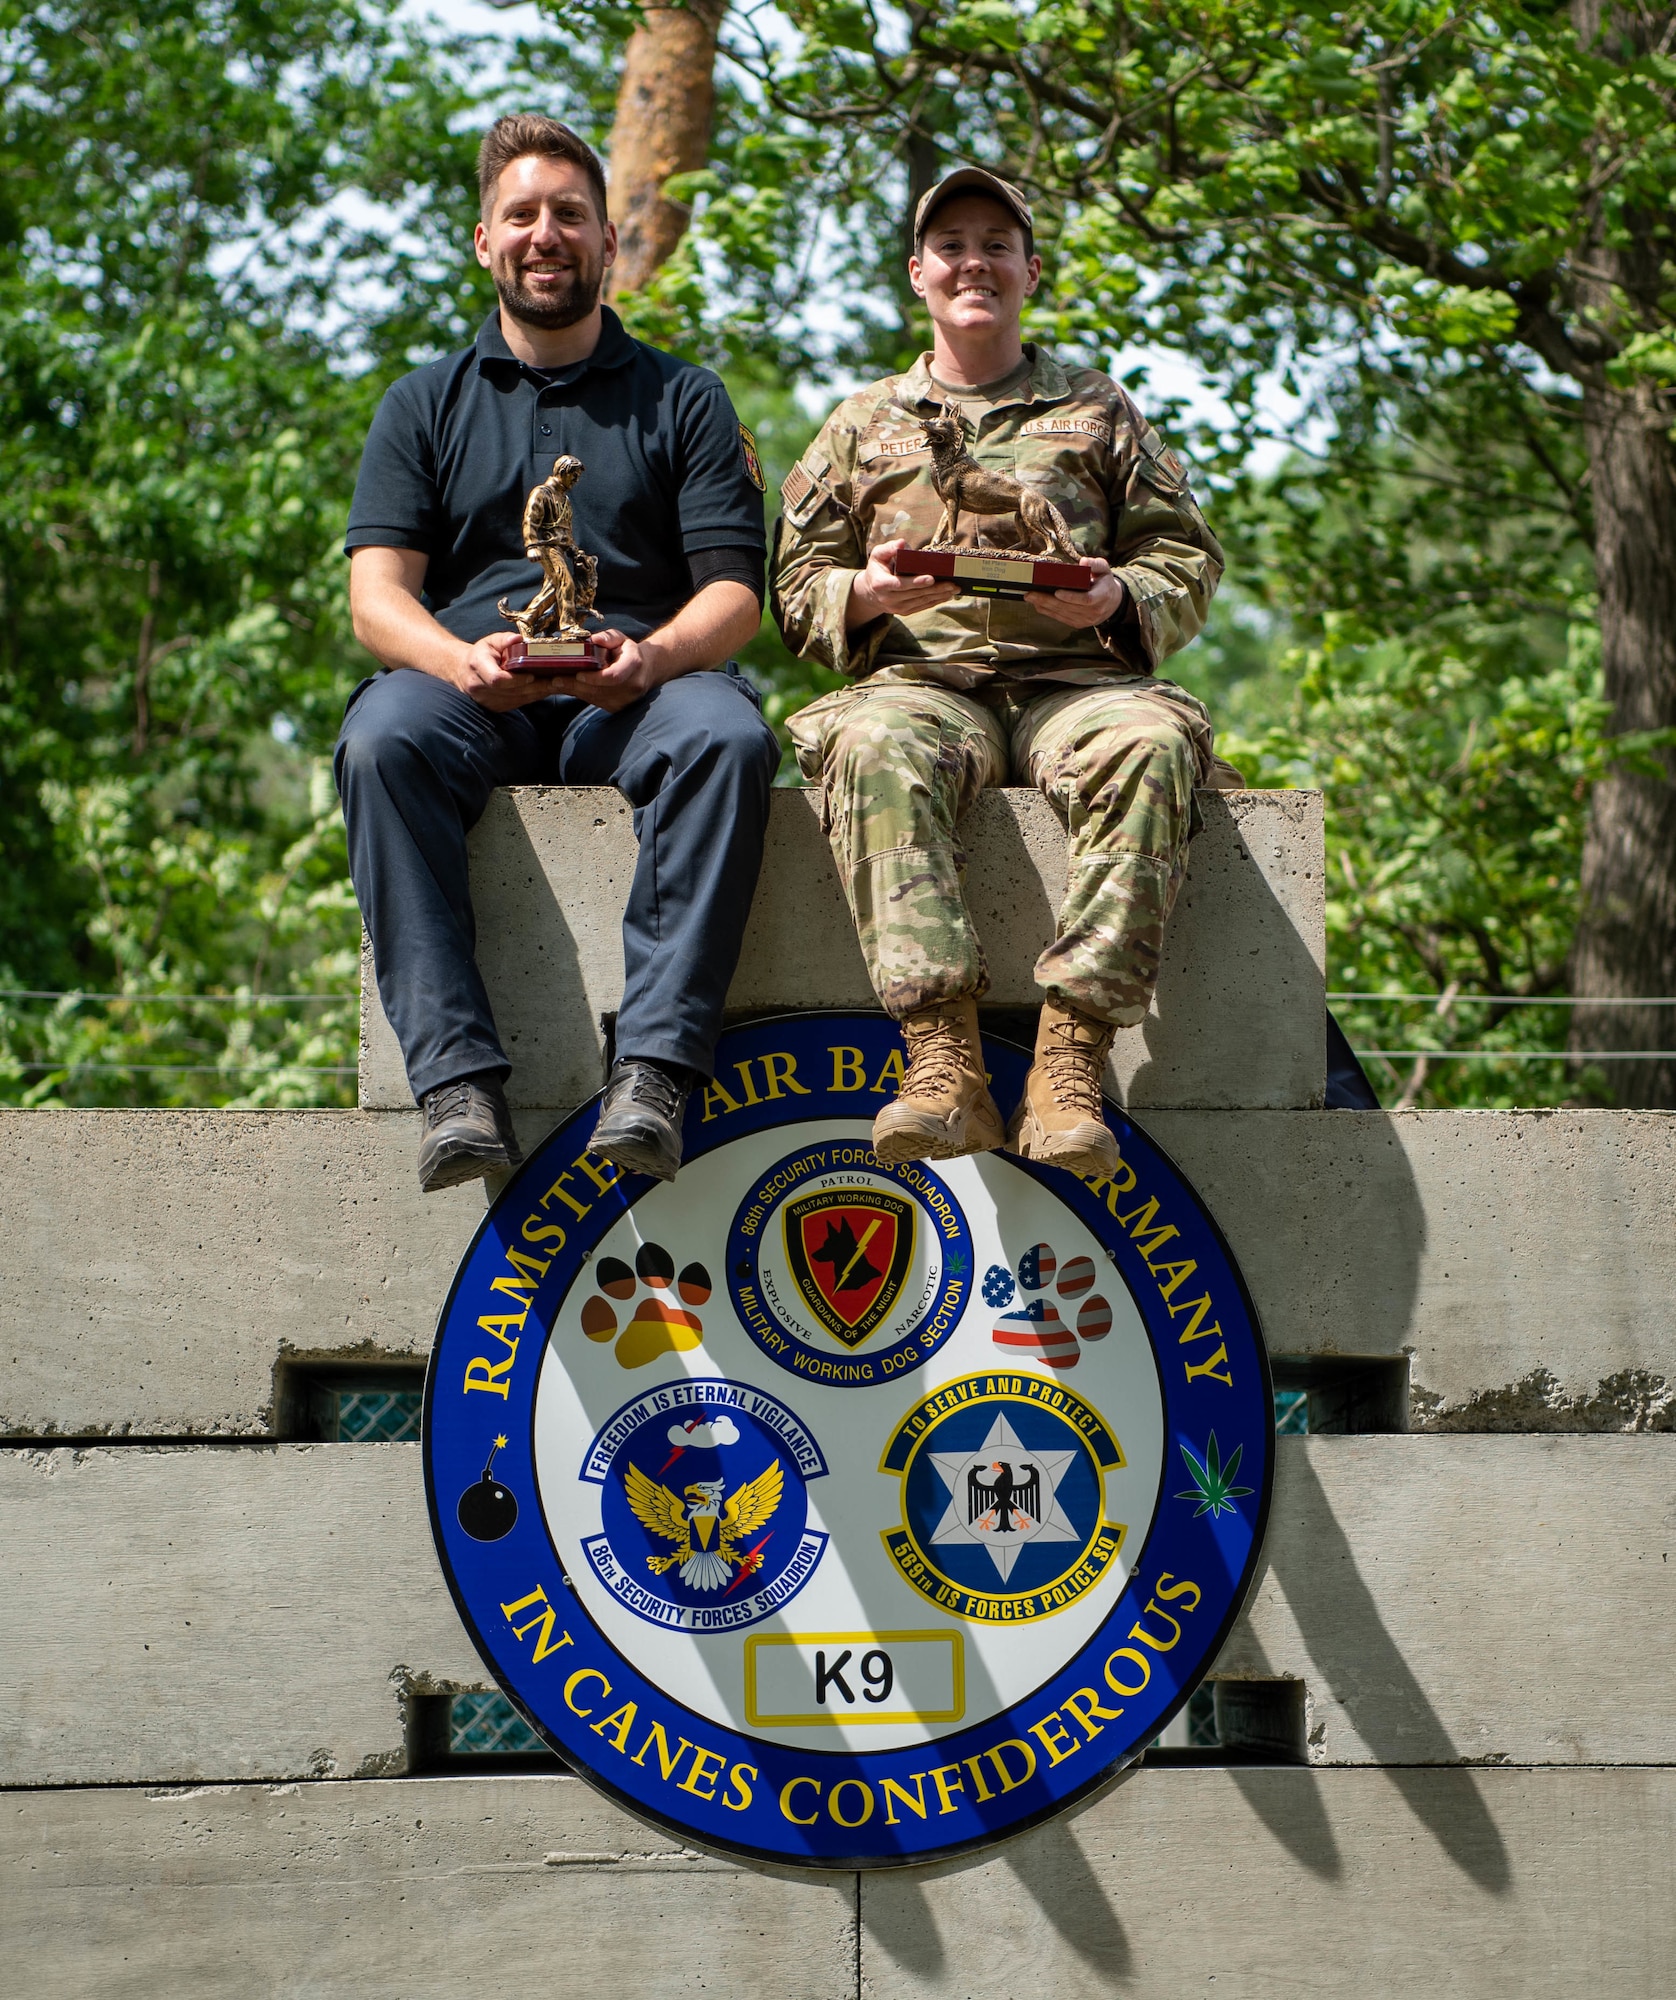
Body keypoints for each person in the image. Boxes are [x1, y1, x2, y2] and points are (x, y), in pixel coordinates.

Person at [336, 115, 779, 1192]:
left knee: (726, 732)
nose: (547, 234)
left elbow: (735, 593)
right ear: (483, 242)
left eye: (569, 214)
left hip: (633, 696)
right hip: (473, 697)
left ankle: (656, 1074)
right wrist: (453, 663)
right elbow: (375, 597)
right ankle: (454, 1085)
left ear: (608, 242)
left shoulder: (685, 398)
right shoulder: (420, 403)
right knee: (380, 736)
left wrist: (653, 657)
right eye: (522, 215)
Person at [772, 167, 1238, 1178]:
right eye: (950, 245)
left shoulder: (1097, 409)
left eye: (995, 243)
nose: (972, 262)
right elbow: (793, 581)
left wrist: (1117, 597)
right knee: (868, 740)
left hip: (1077, 687)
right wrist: (861, 593)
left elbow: (1186, 557)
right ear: (916, 274)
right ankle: (942, 1064)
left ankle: (1067, 1059)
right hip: (922, 687)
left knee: (1154, 743)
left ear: (1029, 269)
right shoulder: (864, 423)